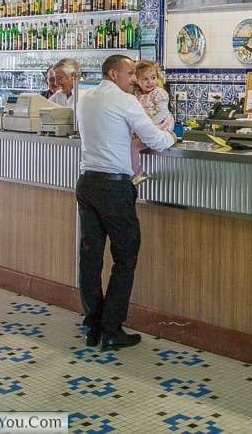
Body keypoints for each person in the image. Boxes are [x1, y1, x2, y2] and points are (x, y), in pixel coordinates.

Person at [75, 54, 175, 350]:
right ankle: (111, 330)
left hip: (87, 183)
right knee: (125, 258)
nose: (134, 78)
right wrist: (171, 136)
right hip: (114, 188)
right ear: (112, 73)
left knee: (90, 258)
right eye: (130, 72)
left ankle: (93, 325)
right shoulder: (125, 101)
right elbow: (155, 140)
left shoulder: (86, 99)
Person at [130, 60, 175, 184]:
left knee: (133, 146)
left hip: (158, 127)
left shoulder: (158, 93)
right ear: (137, 80)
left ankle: (136, 173)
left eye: (153, 78)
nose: (150, 82)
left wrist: (147, 124)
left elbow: (163, 113)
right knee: (130, 143)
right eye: (145, 79)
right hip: (146, 127)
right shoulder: (138, 94)